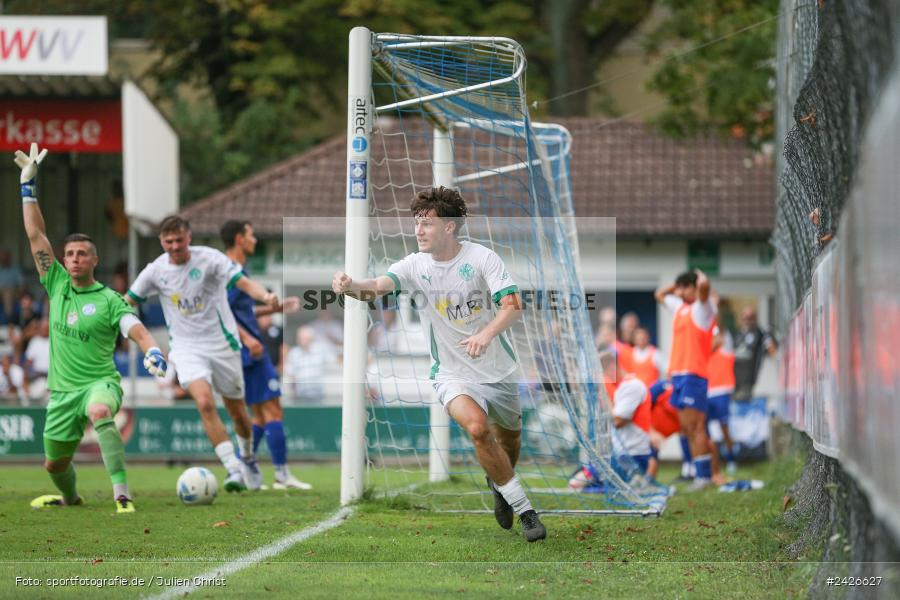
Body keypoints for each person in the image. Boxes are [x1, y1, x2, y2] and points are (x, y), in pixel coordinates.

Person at [332, 186, 546, 542]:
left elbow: (511, 305)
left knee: (510, 442)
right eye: (416, 222)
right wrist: (350, 284)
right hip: (451, 372)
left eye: (427, 223)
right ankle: (525, 511)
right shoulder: (414, 265)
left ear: (449, 227)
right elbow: (377, 287)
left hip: (498, 369)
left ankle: (499, 483)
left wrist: (486, 335)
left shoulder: (482, 258)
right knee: (478, 429)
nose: (418, 230)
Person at [15, 143, 168, 513]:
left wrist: (152, 349)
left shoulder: (110, 298)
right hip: (62, 391)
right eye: (69, 254)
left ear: (94, 260)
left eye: (82, 253)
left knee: (101, 412)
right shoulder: (56, 283)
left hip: (101, 383)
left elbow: (134, 327)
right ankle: (70, 498)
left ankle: (122, 495)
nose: (74, 258)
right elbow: (36, 236)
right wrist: (27, 189)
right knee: (54, 464)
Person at [127, 215, 278, 492]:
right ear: (162, 241)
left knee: (238, 413)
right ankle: (232, 469)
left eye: (179, 240)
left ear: (189, 238)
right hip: (186, 348)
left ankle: (247, 458)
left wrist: (266, 297)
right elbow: (126, 303)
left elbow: (243, 283)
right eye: (168, 241)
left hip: (223, 344)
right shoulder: (154, 271)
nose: (174, 246)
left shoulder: (210, 259)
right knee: (205, 402)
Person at [221, 219, 312, 490]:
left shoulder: (237, 270)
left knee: (259, 416)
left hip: (243, 351)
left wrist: (274, 310)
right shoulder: (230, 271)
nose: (255, 240)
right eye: (251, 235)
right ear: (239, 239)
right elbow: (221, 313)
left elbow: (241, 312)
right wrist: (249, 339)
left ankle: (240, 470)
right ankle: (282, 475)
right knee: (273, 411)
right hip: (248, 351)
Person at [655, 270, 717, 490]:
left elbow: (705, 287)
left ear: (693, 287)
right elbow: (659, 295)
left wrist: (700, 277)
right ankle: (696, 472)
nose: (680, 293)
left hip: (694, 375)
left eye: (685, 288)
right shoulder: (680, 308)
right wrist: (678, 285)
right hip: (679, 375)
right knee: (686, 428)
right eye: (679, 288)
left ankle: (704, 477)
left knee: (696, 426)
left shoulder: (703, 308)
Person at [600, 351, 652, 474]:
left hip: (632, 455)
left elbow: (618, 421)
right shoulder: (621, 388)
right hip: (622, 453)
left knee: (577, 482)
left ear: (612, 365)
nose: (603, 376)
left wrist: (603, 394)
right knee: (578, 478)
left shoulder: (632, 386)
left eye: (603, 371)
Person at [707, 327, 737, 474]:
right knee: (710, 431)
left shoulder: (725, 349)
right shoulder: (705, 353)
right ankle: (715, 463)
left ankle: (731, 459)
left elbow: (722, 340)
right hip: (708, 393)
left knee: (724, 428)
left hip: (722, 392)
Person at [732, 306, 777, 401]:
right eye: (745, 317)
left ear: (755, 318)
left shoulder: (760, 333)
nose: (747, 320)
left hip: (752, 383)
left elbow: (773, 352)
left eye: (750, 317)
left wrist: (768, 336)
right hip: (736, 383)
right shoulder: (737, 335)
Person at [0, 248, 24, 324]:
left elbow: (22, 284)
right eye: (2, 257)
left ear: (9, 258)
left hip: (12, 292)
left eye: (5, 257)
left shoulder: (15, 270)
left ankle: (8, 322)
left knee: (7, 294)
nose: (3, 259)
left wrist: (19, 293)